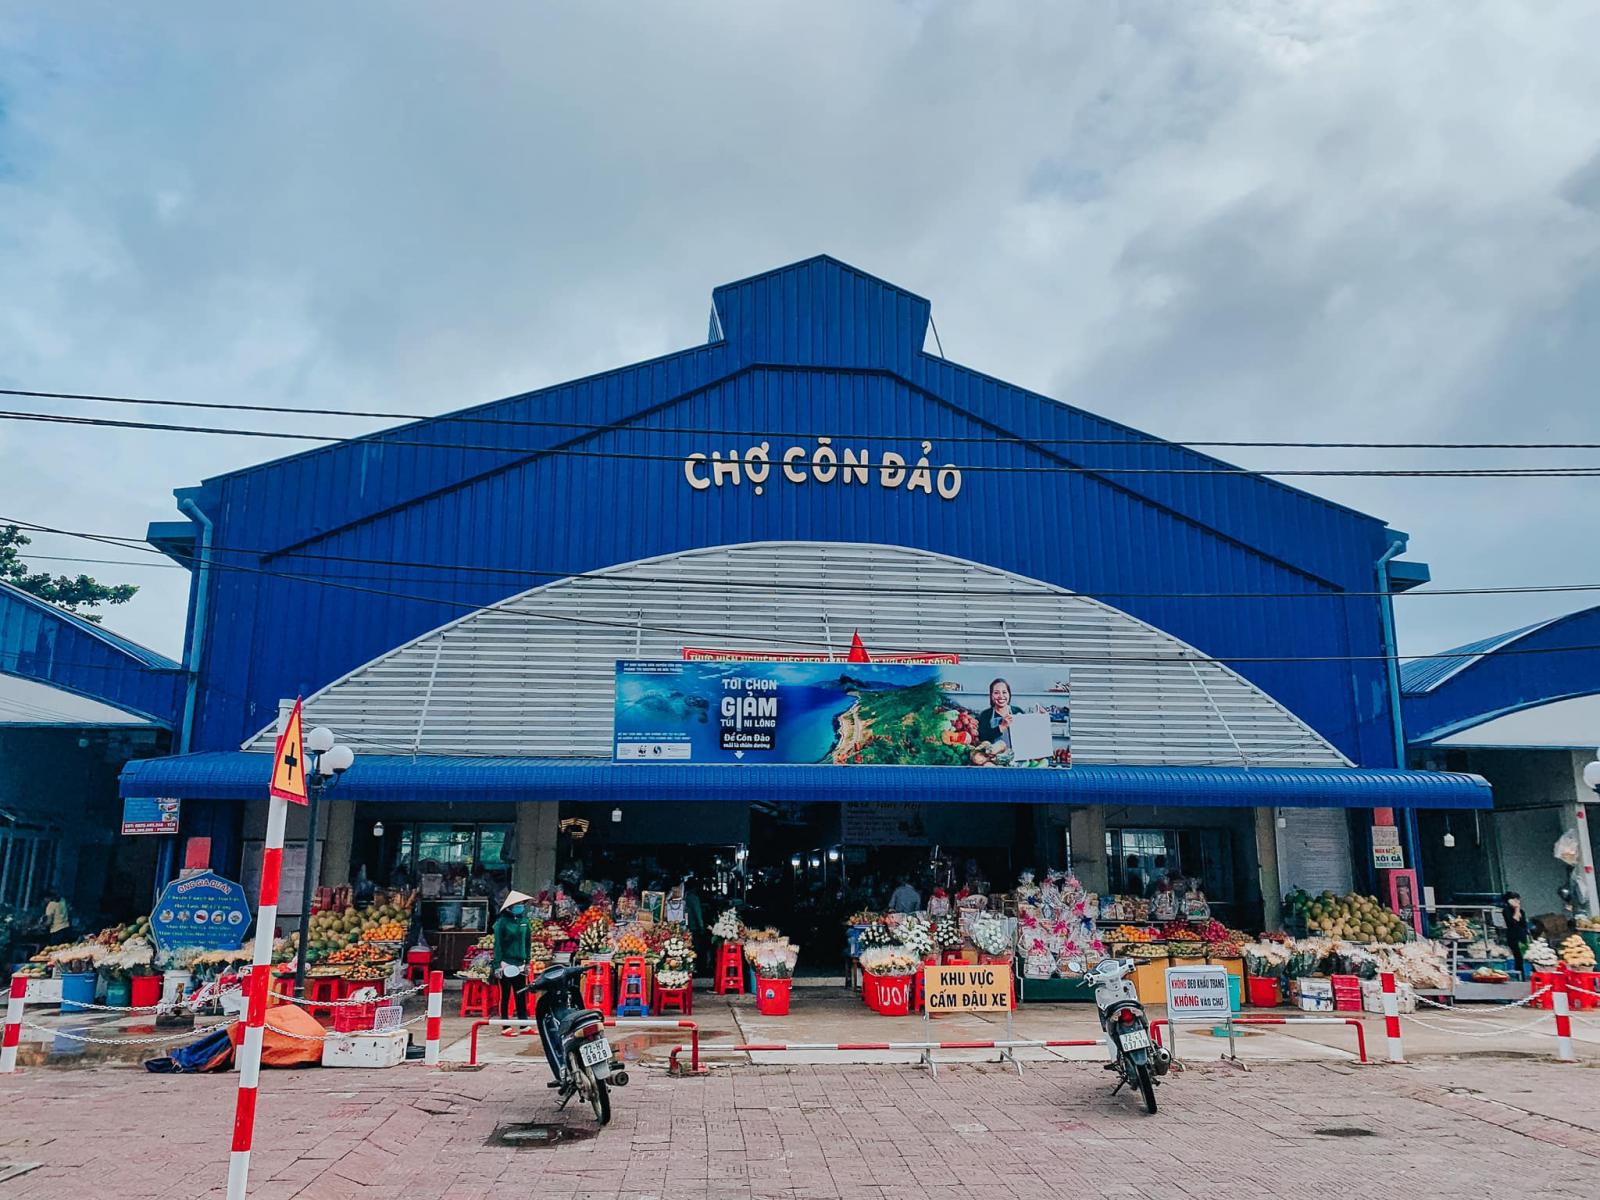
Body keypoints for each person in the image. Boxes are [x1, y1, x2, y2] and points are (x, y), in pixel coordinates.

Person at [492, 891, 536, 1038]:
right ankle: (505, 1026)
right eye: (518, 904)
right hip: (506, 962)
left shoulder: (525, 922)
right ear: (510, 907)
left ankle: (524, 1024)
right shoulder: (501, 923)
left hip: (520, 963)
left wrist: (528, 961)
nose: (520, 907)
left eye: (522, 904)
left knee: (521, 994)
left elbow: (528, 943)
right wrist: (497, 965)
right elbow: (498, 945)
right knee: (505, 995)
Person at [977, 678, 1020, 747]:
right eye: (996, 693)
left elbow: (1027, 733)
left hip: (1016, 753)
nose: (1001, 696)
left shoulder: (1018, 711)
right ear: (991, 696)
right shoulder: (985, 715)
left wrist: (1037, 718)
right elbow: (982, 737)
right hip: (993, 754)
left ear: (1009, 694)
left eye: (1004, 692)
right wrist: (1002, 727)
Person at [1501, 892, 1530, 979]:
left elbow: (1524, 924)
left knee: (1526, 956)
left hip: (1522, 936)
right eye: (1515, 899)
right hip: (1513, 936)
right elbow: (1513, 922)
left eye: (1518, 899)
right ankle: (1520, 976)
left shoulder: (1522, 911)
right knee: (1518, 957)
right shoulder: (1506, 910)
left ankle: (1527, 974)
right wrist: (1516, 909)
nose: (1517, 901)